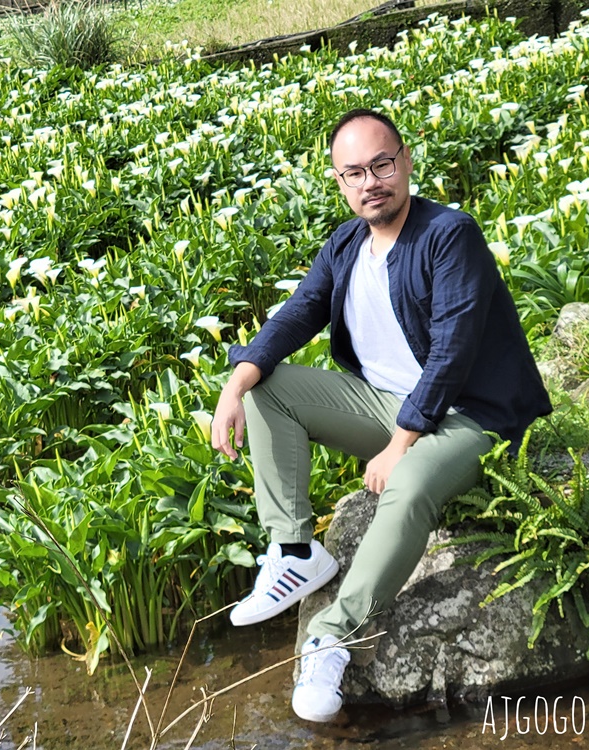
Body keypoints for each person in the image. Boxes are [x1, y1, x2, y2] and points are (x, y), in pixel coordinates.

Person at [209, 108, 551, 723]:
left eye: (382, 165)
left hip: (471, 415)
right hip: (387, 403)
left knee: (411, 481)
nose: (371, 181)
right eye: (355, 172)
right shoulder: (344, 246)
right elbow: (295, 315)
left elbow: (452, 349)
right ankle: (294, 553)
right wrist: (237, 381)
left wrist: (401, 444)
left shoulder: (450, 235)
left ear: (406, 161)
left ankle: (332, 637)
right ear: (340, 182)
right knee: (271, 387)